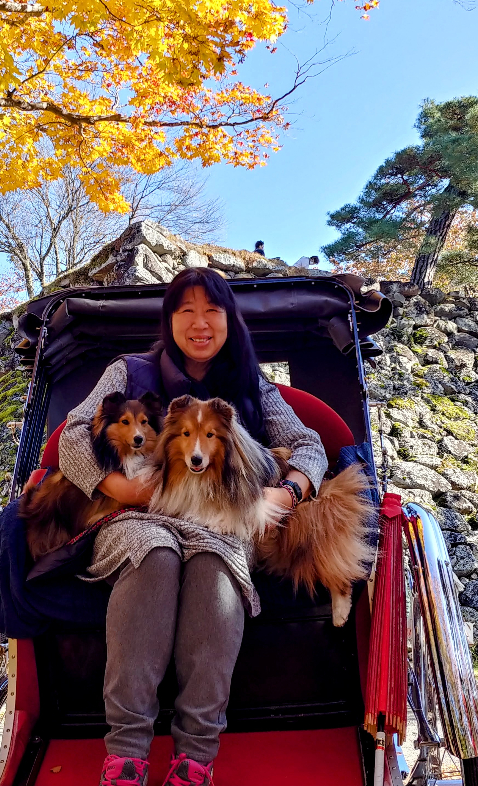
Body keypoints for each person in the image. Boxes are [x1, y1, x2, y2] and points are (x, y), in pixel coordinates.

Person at [58, 267, 325, 786]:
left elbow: (310, 443)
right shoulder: (129, 372)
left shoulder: (253, 387)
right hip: (137, 516)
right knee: (153, 553)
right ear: (170, 319)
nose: (199, 323)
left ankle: (194, 758)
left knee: (214, 564)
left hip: (220, 523)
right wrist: (116, 487)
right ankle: (127, 756)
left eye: (212, 311)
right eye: (186, 311)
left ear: (229, 321)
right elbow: (72, 433)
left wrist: (287, 490)